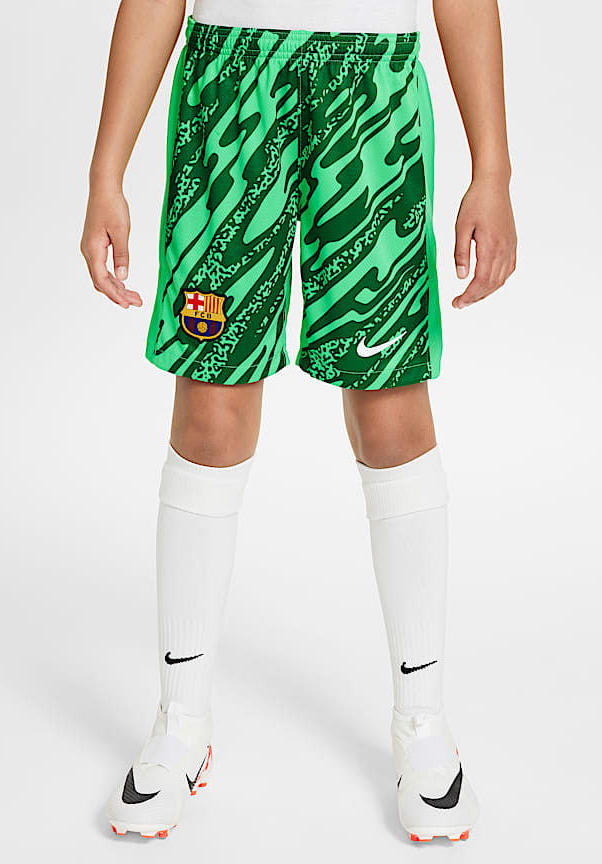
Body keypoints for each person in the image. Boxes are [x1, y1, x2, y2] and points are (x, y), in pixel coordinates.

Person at [80, 0, 516, 843]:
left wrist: (491, 169)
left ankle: (422, 721)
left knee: (390, 403)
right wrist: (107, 171)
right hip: (230, 83)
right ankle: (181, 721)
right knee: (210, 407)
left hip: (371, 88)